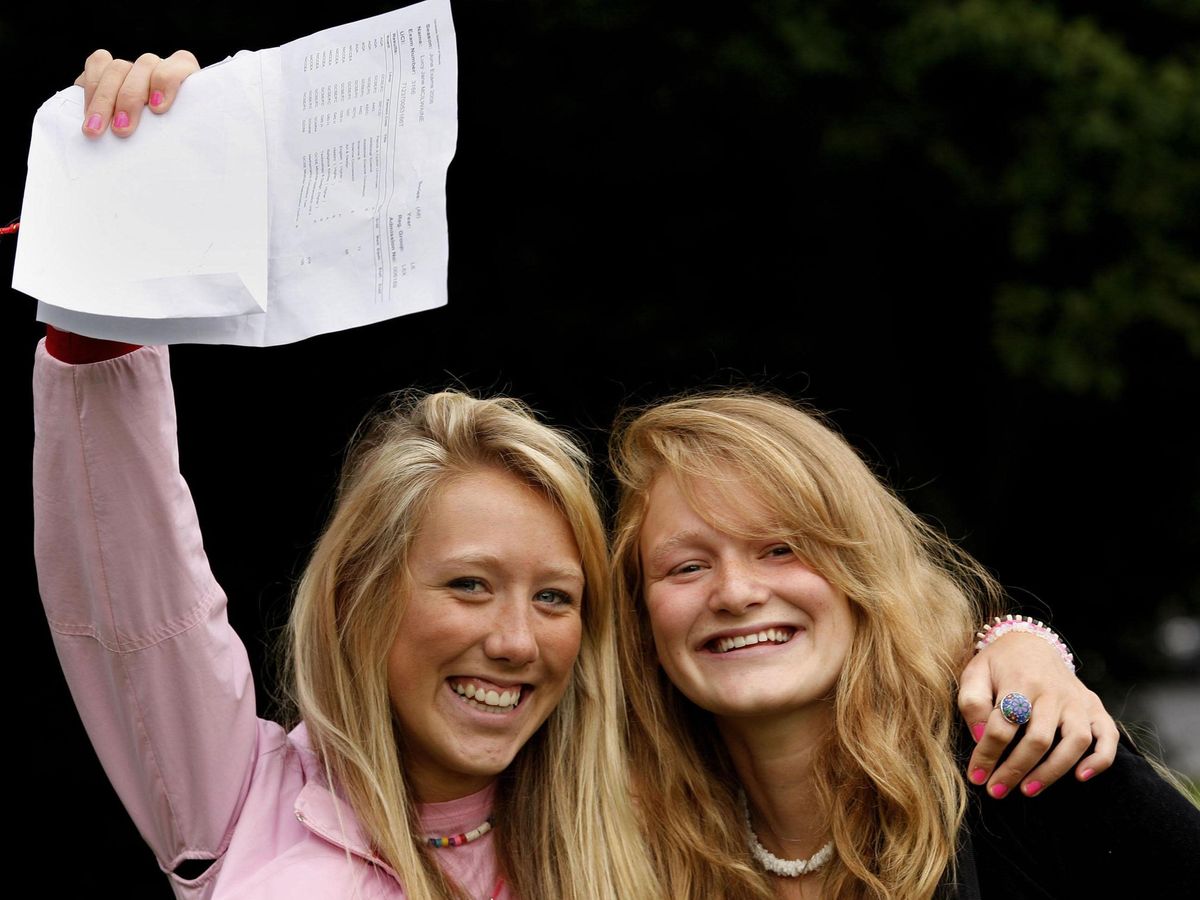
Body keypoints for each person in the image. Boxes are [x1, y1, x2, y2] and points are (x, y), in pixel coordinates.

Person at [34, 49, 1130, 900]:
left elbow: (832, 673)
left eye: (556, 598)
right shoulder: (245, 794)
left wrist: (1014, 647)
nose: (514, 640)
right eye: (469, 584)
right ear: (364, 598)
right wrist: (115, 260)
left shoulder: (651, 824)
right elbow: (129, 584)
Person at [610, 391, 1200, 899]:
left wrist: (1027, 641)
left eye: (781, 548)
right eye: (687, 567)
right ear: (640, 612)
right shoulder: (617, 834)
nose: (735, 593)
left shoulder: (1026, 770)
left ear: (860, 569)